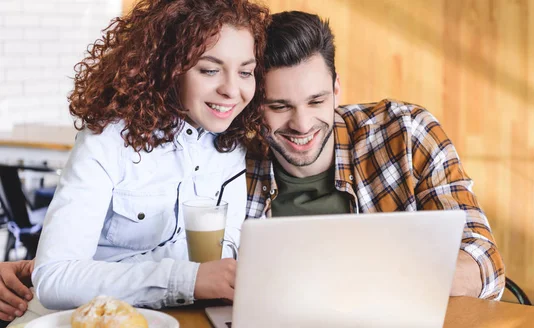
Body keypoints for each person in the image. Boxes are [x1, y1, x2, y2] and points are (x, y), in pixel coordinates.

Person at [0, 0, 270, 320]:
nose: (232, 89)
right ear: (168, 65)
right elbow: (55, 279)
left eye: (245, 72)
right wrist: (187, 279)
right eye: (210, 69)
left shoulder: (231, 143)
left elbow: (226, 255)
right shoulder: (108, 140)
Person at [244, 11, 505, 300]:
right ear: (254, 104)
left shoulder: (406, 133)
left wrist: (369, 283)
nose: (302, 124)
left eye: (317, 101)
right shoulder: (230, 164)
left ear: (336, 89)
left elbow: (484, 264)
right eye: (280, 107)